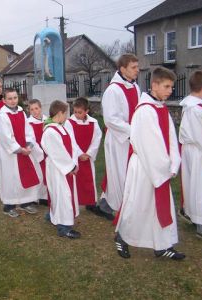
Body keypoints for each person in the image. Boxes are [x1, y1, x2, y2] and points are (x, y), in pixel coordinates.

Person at [115, 67, 184, 260]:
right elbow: (149, 144)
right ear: (154, 85)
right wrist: (164, 168)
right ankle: (122, 236)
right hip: (146, 167)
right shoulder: (145, 111)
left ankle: (162, 245)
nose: (170, 90)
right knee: (139, 205)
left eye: (171, 86)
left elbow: (170, 138)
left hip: (159, 167)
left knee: (159, 207)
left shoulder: (160, 107)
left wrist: (173, 163)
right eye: (167, 86)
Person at [100, 54, 141, 220]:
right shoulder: (113, 90)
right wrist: (132, 130)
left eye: (137, 67)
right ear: (123, 69)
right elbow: (111, 119)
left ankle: (109, 204)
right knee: (119, 172)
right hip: (119, 139)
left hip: (133, 137)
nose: (137, 70)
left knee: (129, 172)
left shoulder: (136, 87)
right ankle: (117, 206)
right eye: (133, 67)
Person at [179, 70, 202, 242]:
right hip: (201, 151)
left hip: (195, 150)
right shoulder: (196, 109)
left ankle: (195, 217)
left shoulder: (197, 105)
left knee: (195, 186)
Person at [0, 88, 42, 217]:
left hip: (24, 150)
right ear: (4, 100)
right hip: (10, 153)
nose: (13, 101)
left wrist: (28, 145)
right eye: (9, 98)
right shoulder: (2, 116)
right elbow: (5, 137)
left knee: (26, 175)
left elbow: (28, 131)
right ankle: (9, 205)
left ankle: (25, 202)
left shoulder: (21, 113)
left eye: (15, 98)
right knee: (11, 178)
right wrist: (19, 149)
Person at [41, 100, 81, 238]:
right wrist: (70, 166)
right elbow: (57, 152)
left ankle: (55, 216)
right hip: (58, 169)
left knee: (64, 195)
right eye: (66, 113)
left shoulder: (60, 127)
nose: (67, 117)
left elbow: (73, 146)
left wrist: (74, 163)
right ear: (60, 113)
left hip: (66, 167)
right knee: (62, 195)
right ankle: (63, 227)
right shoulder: (50, 131)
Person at [64, 97, 102, 213]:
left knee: (89, 180)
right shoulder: (69, 123)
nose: (76, 114)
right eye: (74, 112)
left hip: (88, 157)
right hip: (76, 157)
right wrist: (80, 153)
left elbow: (97, 138)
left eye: (79, 112)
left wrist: (89, 153)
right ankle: (75, 201)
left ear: (86, 111)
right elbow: (70, 140)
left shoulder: (93, 123)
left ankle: (90, 202)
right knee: (76, 181)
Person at [27, 99, 47, 205]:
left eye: (36, 108)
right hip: (36, 153)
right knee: (38, 174)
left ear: (40, 108)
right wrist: (40, 153)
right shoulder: (28, 123)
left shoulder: (47, 120)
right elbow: (31, 140)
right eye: (32, 109)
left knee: (46, 174)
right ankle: (34, 197)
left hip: (47, 151)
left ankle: (44, 197)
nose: (35, 111)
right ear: (29, 111)